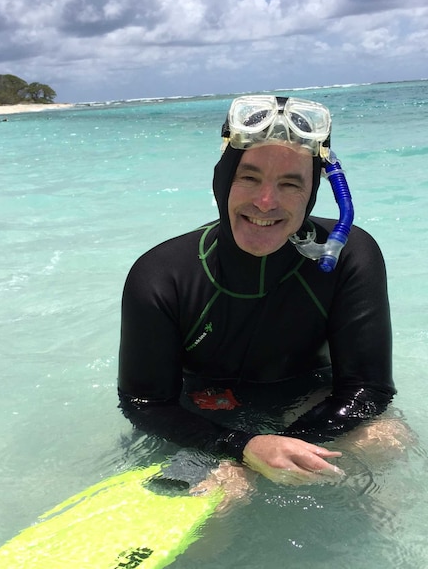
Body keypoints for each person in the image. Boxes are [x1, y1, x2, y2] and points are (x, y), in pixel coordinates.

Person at [118, 95, 398, 486]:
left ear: (313, 190)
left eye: (290, 183)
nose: (266, 202)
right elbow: (146, 404)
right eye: (249, 177)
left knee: (388, 439)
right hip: (204, 413)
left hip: (311, 402)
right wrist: (240, 447)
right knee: (225, 490)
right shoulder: (162, 276)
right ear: (223, 180)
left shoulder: (351, 256)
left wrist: (282, 447)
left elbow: (367, 389)